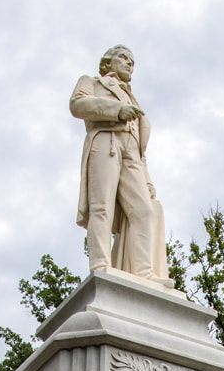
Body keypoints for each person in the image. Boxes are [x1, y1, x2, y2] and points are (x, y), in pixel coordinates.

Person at [70, 45, 171, 285]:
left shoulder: (133, 97)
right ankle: (101, 264)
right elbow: (78, 105)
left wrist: (147, 179)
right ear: (108, 62)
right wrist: (117, 111)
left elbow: (140, 146)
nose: (129, 64)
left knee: (144, 210)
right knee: (102, 205)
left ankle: (144, 271)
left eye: (132, 62)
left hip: (132, 152)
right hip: (106, 139)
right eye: (123, 58)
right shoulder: (92, 82)